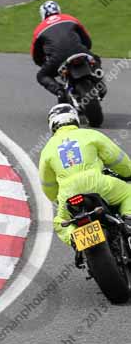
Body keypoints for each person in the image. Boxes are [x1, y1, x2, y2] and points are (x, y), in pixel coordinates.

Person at [39, 103, 131, 246]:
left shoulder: (46, 150)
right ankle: (128, 221)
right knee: (128, 193)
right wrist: (128, 173)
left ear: (52, 125)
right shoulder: (90, 134)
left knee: (60, 222)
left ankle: (75, 241)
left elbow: (48, 185)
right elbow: (117, 159)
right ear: (75, 119)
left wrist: (59, 200)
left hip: (68, 194)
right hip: (98, 184)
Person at [31, 1, 97, 100]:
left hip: (57, 59)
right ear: (58, 10)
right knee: (96, 59)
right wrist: (84, 50)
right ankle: (98, 77)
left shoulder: (39, 30)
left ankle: (60, 91)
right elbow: (87, 42)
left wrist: (44, 63)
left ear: (42, 14)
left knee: (41, 75)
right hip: (79, 51)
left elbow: (36, 57)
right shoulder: (71, 18)